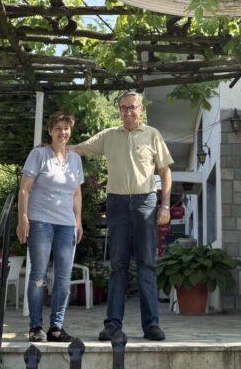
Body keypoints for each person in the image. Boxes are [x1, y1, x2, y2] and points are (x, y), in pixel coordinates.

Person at [72, 91, 173, 342]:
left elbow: (165, 171)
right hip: (116, 203)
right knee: (117, 266)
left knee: (146, 265)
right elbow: (81, 149)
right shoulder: (109, 136)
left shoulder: (153, 135)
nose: (128, 112)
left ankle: (151, 326)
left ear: (141, 109)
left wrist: (166, 206)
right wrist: (55, 147)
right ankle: (112, 325)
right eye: (123, 108)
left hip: (145, 203)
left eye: (132, 107)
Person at [17, 112, 84, 343]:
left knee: (64, 278)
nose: (62, 132)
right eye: (58, 128)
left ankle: (56, 327)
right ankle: (36, 327)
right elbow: (24, 188)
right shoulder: (39, 154)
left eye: (66, 128)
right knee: (39, 275)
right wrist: (23, 218)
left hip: (66, 225)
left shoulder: (75, 159)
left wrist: (78, 221)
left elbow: (76, 192)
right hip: (41, 222)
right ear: (50, 131)